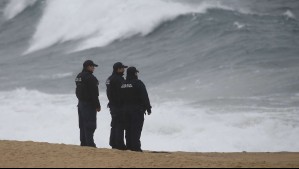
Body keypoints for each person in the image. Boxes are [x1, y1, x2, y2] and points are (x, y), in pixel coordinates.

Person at [121, 67, 152, 152]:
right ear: (134, 73)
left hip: (125, 110)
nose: (137, 75)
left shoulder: (123, 83)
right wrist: (148, 108)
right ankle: (136, 147)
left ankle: (129, 146)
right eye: (136, 73)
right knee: (136, 129)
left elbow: (120, 97)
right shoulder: (138, 83)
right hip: (136, 110)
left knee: (128, 129)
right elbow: (144, 96)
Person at [75, 60, 101, 148]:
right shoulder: (91, 78)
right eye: (92, 66)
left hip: (80, 104)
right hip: (89, 104)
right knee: (90, 124)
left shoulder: (78, 76)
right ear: (87, 67)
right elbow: (94, 93)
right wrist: (97, 105)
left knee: (82, 124)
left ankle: (83, 143)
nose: (94, 68)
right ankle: (90, 144)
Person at [106, 62, 128, 150]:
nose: (124, 70)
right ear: (118, 69)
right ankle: (120, 144)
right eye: (122, 68)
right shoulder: (119, 79)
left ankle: (113, 143)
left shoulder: (109, 79)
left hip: (112, 105)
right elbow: (122, 93)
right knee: (120, 125)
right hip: (119, 106)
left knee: (114, 124)